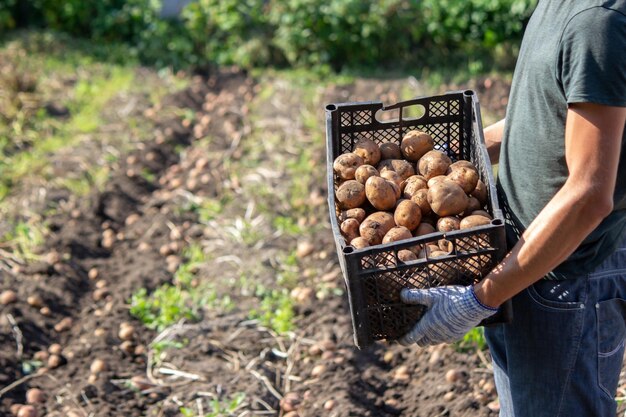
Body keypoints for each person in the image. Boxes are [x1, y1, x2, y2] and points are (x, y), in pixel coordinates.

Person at [399, 1, 626, 416]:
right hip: (524, 265)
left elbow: (590, 194)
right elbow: (546, 115)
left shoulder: (598, 24)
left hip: (564, 279)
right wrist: (460, 155)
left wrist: (482, 298)